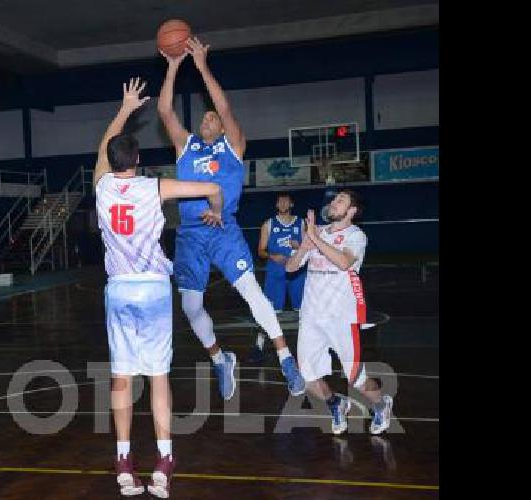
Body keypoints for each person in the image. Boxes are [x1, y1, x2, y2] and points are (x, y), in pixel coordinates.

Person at [96, 77, 224, 499]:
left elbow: (104, 148)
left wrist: (125, 107)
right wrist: (216, 212)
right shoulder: (154, 187)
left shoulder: (100, 187)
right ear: (137, 158)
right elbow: (212, 188)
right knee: (158, 376)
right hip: (151, 290)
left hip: (118, 291)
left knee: (121, 379)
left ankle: (123, 459)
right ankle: (164, 459)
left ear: (111, 160)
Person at [157, 36, 304, 400]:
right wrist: (174, 67)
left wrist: (203, 67)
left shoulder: (234, 145)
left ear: (223, 127)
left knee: (252, 293)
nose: (208, 117)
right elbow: (164, 111)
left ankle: (286, 357)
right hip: (190, 234)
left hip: (224, 229)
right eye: (204, 116)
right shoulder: (186, 146)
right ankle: (221, 358)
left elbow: (223, 106)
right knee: (190, 306)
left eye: (213, 117)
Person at [285, 190, 393, 435]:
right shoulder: (317, 233)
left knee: (356, 378)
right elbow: (291, 267)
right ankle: (336, 404)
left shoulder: (356, 236)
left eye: (341, 201)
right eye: (334, 200)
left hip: (342, 318)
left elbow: (344, 262)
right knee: (307, 376)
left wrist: (315, 238)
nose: (334, 203)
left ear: (352, 211)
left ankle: (380, 404)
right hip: (311, 317)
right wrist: (304, 245)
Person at [250, 193, 307, 361]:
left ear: (291, 204)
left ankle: (310, 347)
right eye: (280, 201)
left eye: (286, 201)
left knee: (304, 311)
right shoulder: (268, 224)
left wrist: (300, 246)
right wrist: (272, 256)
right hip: (275, 272)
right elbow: (260, 250)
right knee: (269, 312)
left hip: (297, 272)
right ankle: (258, 346)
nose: (282, 203)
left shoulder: (301, 223)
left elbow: (309, 248)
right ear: (276, 205)